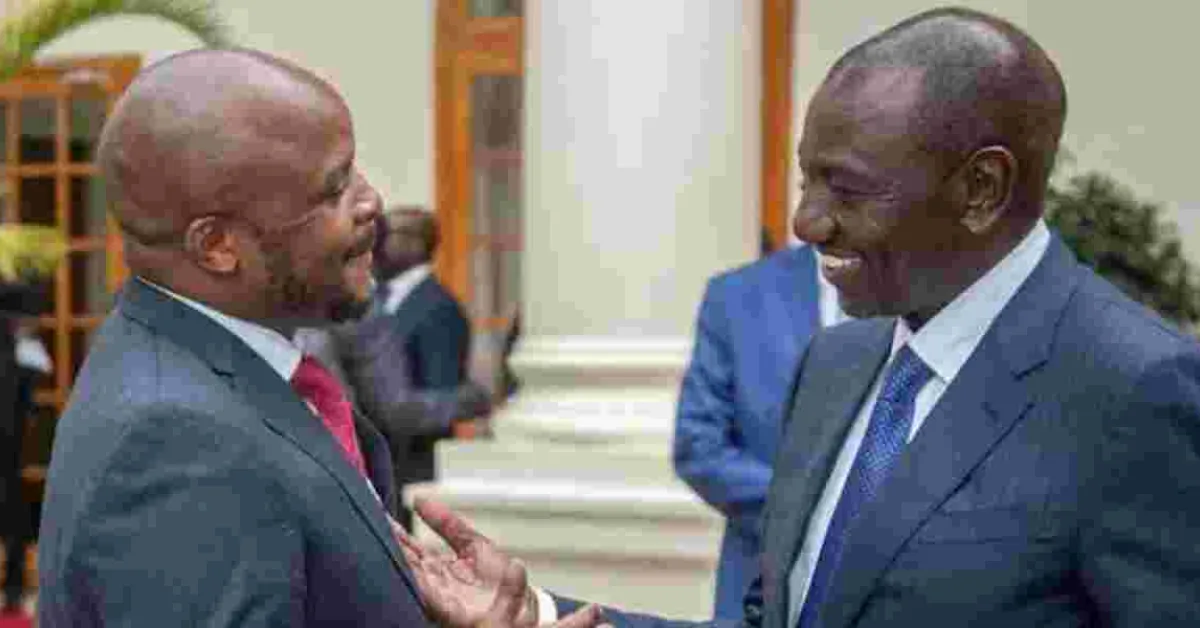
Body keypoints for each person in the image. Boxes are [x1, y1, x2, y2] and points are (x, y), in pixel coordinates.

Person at [400, 7, 1200, 628]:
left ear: (981, 190)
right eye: (807, 180)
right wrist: (538, 616)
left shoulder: (1133, 390)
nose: (807, 222)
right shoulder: (839, 363)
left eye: (846, 190)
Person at [34, 48, 601, 628]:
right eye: (332, 191)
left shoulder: (227, 372)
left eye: (354, 171)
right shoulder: (176, 438)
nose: (371, 202)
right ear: (218, 246)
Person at [674, 240, 844, 619]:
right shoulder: (738, 295)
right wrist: (809, 506)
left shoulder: (923, 291)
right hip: (761, 587)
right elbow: (698, 448)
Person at [337, 208, 489, 530]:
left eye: (388, 234)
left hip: (412, 464)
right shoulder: (366, 298)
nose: (377, 244)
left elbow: (438, 390)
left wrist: (471, 400)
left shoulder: (439, 307)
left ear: (416, 243)